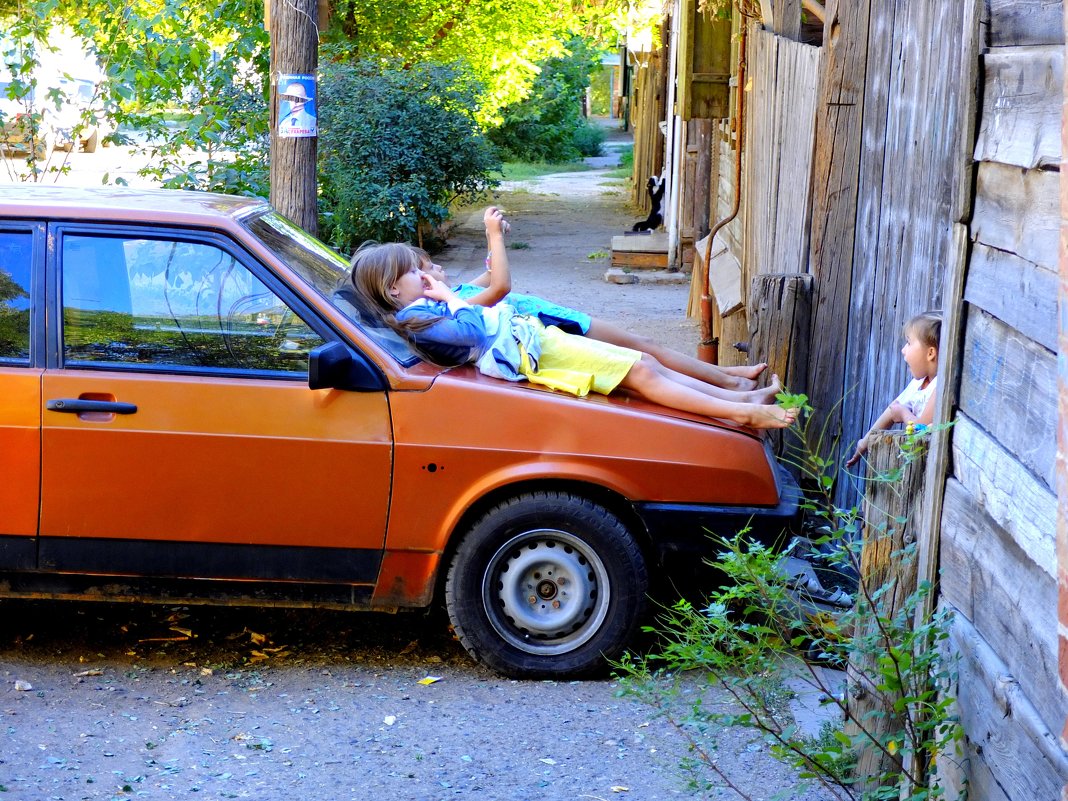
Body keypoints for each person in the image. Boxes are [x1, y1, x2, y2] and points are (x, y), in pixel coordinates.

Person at [347, 235, 799, 430]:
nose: (428, 278)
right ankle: (741, 412)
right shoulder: (419, 319)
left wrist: (448, 294)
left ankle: (739, 399)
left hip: (533, 341)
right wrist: (448, 296)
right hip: (532, 354)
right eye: (415, 273)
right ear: (392, 288)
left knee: (643, 365)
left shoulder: (422, 310)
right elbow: (469, 329)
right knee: (641, 372)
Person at [416, 207, 767, 393]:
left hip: (551, 317)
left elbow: (493, 274)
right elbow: (501, 287)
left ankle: (723, 376)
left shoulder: (458, 293)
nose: (440, 266)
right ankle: (727, 383)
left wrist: (497, 239)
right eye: (431, 268)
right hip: (550, 327)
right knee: (640, 355)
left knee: (643, 349)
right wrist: (492, 235)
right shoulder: (453, 304)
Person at [846, 310, 941, 467]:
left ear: (931, 353)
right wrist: (865, 442)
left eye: (909, 343)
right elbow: (892, 410)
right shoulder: (919, 383)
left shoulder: (939, 388)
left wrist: (904, 414)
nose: (904, 350)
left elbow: (921, 431)